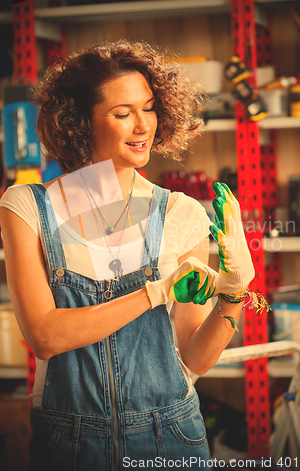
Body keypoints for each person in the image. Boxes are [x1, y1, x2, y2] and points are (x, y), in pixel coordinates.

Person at [0, 40, 257, 471]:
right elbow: (45, 336)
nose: (143, 126)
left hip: (171, 436)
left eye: (150, 108)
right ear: (79, 123)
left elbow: (193, 357)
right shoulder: (27, 207)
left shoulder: (181, 212)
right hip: (70, 443)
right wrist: (153, 293)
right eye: (123, 114)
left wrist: (234, 294)